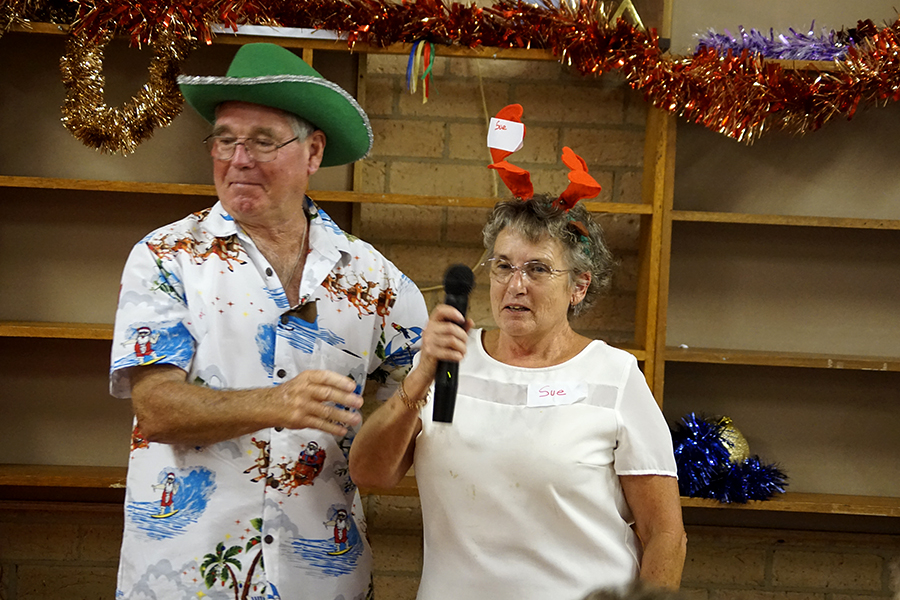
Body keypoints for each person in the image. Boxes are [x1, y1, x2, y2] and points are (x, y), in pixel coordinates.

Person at [110, 43, 428, 600]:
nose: (238, 158)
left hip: (322, 577)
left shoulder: (375, 279)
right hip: (186, 579)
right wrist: (278, 403)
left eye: (262, 141)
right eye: (225, 139)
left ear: (313, 153)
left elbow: (436, 402)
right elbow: (156, 409)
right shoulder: (166, 257)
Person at [350, 138, 686, 598]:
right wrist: (421, 374)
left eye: (538, 269)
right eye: (503, 266)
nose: (515, 285)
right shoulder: (448, 361)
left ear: (579, 286)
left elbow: (665, 533)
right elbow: (369, 474)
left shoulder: (615, 374)